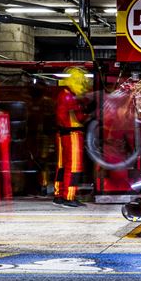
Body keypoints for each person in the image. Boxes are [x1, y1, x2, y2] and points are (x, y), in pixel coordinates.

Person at [53, 67, 90, 208]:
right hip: (72, 134)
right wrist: (89, 115)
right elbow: (78, 117)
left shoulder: (63, 94)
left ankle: (59, 195)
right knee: (73, 166)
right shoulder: (70, 96)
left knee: (62, 166)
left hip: (62, 134)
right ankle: (69, 197)